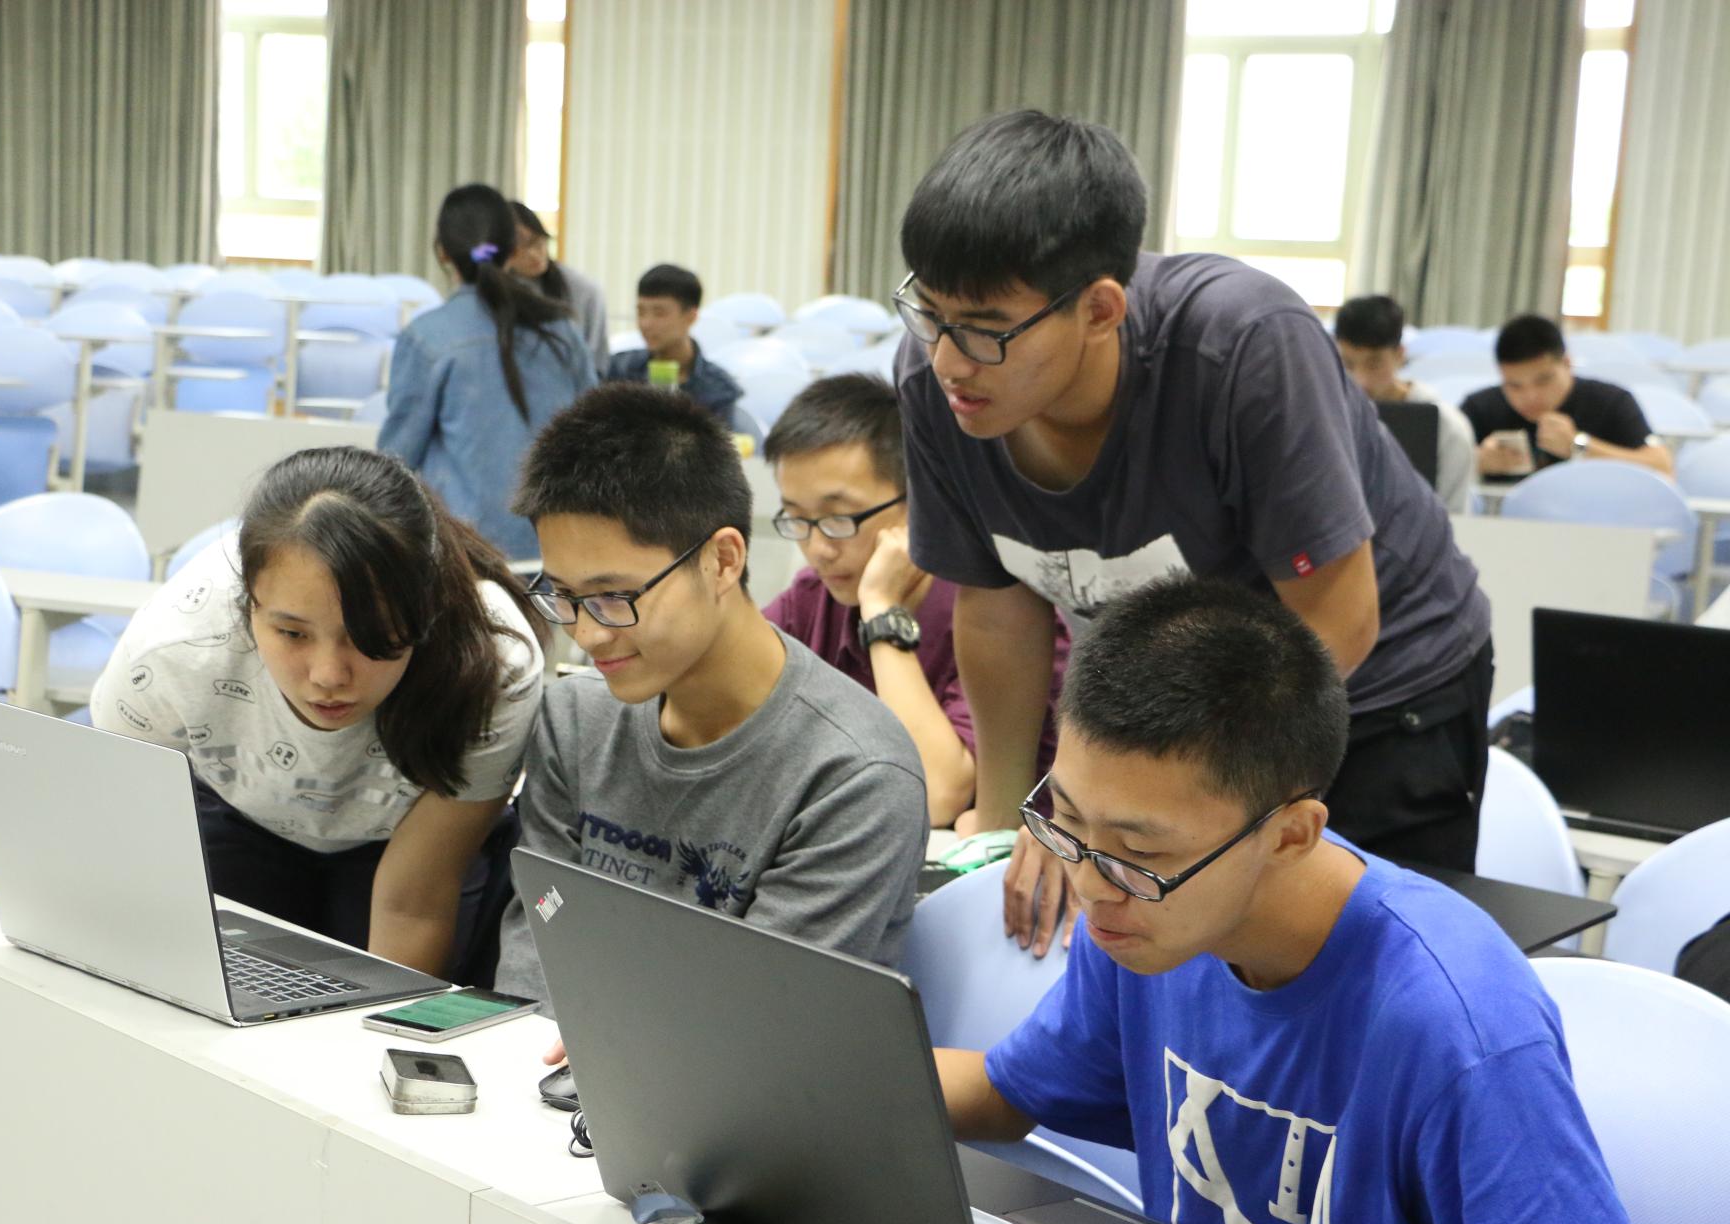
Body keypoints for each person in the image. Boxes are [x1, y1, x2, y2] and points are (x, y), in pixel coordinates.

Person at [891, 110, 1494, 958]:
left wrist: (1133, 805)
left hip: (1376, 689)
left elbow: (1337, 619)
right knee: (1153, 953)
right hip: (1187, 710)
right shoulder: (938, 384)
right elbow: (998, 610)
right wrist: (1019, 819)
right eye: (928, 312)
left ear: (1100, 309)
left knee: (1340, 968)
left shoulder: (1243, 346)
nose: (949, 360)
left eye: (987, 329)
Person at [937, 575, 1653, 1224]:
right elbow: (1011, 1094)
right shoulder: (1143, 922)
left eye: (1141, 851)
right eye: (1066, 819)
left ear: (1290, 835)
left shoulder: (1457, 1027)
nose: (1090, 885)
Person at [0, 447, 546, 984]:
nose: (328, 675)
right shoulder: (175, 647)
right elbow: (115, 820)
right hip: (239, 813)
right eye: (291, 633)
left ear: (426, 610)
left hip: (400, 844)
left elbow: (414, 903)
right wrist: (55, 854)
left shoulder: (492, 663)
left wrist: (380, 1038)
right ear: (248, 601)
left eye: (370, 637)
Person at [493, 383, 927, 1004]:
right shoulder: (575, 719)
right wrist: (523, 1041)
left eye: (615, 596)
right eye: (563, 595)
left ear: (723, 561)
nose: (586, 634)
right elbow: (544, 922)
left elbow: (751, 1014)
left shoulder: (855, 776)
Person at [760, 373, 1069, 828]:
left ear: (918, 502)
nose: (819, 549)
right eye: (797, 519)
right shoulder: (809, 601)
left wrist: (882, 611)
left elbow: (935, 795)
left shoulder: (1000, 614)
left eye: (839, 519)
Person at [380, 184, 597, 563]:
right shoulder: (562, 331)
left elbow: (395, 463)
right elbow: (594, 435)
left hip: (465, 559)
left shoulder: (427, 337)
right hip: (558, 555)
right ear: (512, 251)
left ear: (442, 252)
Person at [1462, 314, 1672, 478]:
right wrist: (1476, 462)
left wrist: (1579, 446)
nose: (1530, 396)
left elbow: (1663, 468)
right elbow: (1443, 467)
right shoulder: (1480, 407)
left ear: (1567, 364)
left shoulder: (1611, 401)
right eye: (1514, 386)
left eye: (1543, 381)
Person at [1333, 294, 1477, 513]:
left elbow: (1453, 517)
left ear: (1400, 355)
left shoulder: (1447, 428)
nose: (1360, 381)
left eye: (1374, 364)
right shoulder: (1327, 416)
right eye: (1348, 364)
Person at [602, 264, 743, 429]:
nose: (646, 323)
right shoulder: (618, 370)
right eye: (641, 312)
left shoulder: (718, 388)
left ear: (691, 317)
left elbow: (720, 443)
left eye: (659, 313)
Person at [508, 201, 610, 376]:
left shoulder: (582, 290)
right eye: (521, 248)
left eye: (538, 243)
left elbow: (596, 361)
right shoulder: (494, 291)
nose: (534, 254)